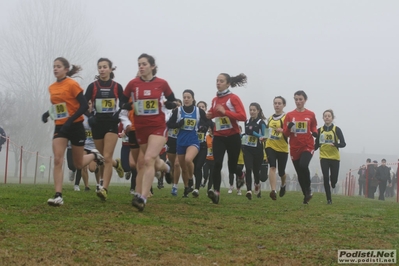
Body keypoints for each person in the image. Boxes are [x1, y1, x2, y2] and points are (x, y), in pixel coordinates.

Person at [42, 57, 104, 206]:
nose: (55, 69)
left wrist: (70, 121)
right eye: (54, 66)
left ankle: (94, 155)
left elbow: (83, 106)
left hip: (75, 126)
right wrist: (48, 113)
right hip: (60, 128)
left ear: (66, 69)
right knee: (58, 159)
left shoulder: (72, 84)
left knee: (77, 164)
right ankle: (58, 195)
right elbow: (60, 106)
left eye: (58, 66)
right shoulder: (52, 87)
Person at [123, 53, 175, 211]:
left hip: (158, 127)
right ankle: (166, 168)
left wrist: (169, 105)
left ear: (152, 66)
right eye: (139, 64)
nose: (141, 66)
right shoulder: (132, 84)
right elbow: (123, 102)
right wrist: (125, 114)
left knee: (148, 159)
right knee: (152, 161)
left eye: (144, 64)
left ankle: (143, 197)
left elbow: (172, 99)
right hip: (140, 128)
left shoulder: (162, 83)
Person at [84, 58, 126, 201]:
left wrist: (118, 115)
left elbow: (125, 104)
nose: (102, 69)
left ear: (110, 69)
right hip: (97, 124)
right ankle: (116, 164)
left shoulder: (117, 87)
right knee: (102, 158)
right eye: (100, 67)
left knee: (107, 156)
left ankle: (104, 189)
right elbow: (83, 105)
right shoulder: (92, 87)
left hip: (111, 124)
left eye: (104, 67)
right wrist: (90, 116)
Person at [206, 73, 247, 204]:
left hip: (233, 137)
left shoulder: (233, 98)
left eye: (221, 81)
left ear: (228, 83)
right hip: (218, 136)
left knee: (232, 167)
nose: (218, 83)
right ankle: (216, 192)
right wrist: (208, 115)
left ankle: (240, 174)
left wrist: (225, 112)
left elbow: (243, 116)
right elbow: (213, 114)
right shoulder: (214, 100)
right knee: (216, 163)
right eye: (217, 81)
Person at [167, 90, 210, 198]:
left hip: (193, 140)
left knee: (188, 160)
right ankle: (187, 187)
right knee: (184, 168)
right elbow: (169, 124)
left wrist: (204, 127)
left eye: (188, 97)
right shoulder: (178, 111)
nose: (186, 99)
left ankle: (191, 180)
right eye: (184, 97)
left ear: (192, 99)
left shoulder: (198, 111)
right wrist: (177, 124)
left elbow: (208, 121)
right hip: (180, 141)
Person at [283, 90, 317, 204]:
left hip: (307, 145)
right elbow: (285, 134)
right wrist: (289, 128)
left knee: (303, 165)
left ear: (305, 100)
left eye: (300, 99)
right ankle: (306, 195)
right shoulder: (289, 115)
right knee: (299, 172)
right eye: (296, 99)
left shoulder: (311, 114)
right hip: (294, 147)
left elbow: (313, 127)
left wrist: (315, 132)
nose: (298, 101)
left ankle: (308, 190)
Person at [314, 109, 347, 204]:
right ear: (323, 118)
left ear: (332, 118)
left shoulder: (337, 129)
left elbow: (343, 143)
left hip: (335, 158)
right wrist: (309, 150)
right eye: (325, 116)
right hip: (323, 157)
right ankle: (329, 199)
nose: (327, 117)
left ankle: (333, 183)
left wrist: (336, 144)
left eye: (329, 116)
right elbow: (316, 145)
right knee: (325, 177)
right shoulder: (319, 130)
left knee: (334, 179)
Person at [265, 96, 289, 200]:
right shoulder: (270, 118)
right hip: (270, 145)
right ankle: (273, 190)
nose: (277, 105)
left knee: (282, 172)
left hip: (282, 148)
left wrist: (283, 130)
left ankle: (283, 184)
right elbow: (267, 133)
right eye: (275, 103)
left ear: (284, 105)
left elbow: (291, 132)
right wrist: (263, 138)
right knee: (272, 167)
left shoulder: (286, 118)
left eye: (279, 103)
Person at [242, 103, 266, 200]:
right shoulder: (246, 122)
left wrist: (255, 134)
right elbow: (247, 133)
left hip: (258, 150)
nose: (252, 112)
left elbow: (265, 136)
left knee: (256, 171)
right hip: (247, 149)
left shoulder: (261, 123)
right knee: (248, 168)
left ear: (258, 111)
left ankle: (257, 184)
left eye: (254, 110)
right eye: (250, 110)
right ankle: (249, 190)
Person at [192, 101, 213, 197]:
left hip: (203, 147)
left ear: (205, 108)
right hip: (192, 146)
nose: (201, 108)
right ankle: (195, 182)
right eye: (199, 106)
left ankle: (196, 189)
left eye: (203, 107)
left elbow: (215, 127)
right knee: (193, 168)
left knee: (198, 167)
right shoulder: (193, 117)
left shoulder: (208, 120)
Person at [165, 99, 182, 196]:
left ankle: (175, 186)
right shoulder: (169, 114)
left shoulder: (183, 114)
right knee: (172, 165)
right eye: (175, 106)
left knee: (177, 164)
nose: (176, 108)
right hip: (171, 140)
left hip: (180, 140)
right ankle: (171, 179)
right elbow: (167, 123)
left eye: (179, 106)